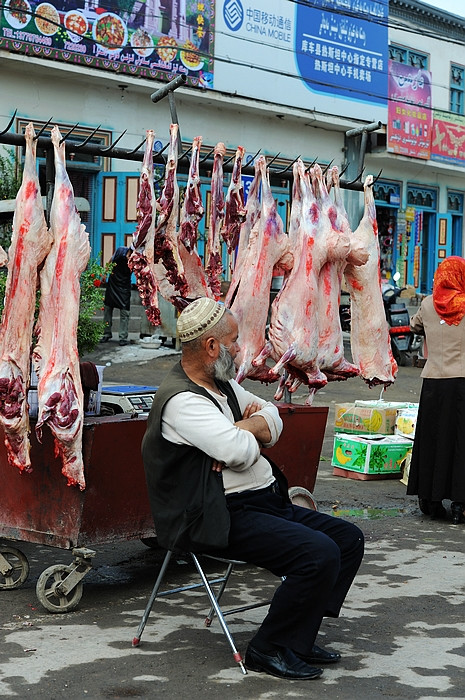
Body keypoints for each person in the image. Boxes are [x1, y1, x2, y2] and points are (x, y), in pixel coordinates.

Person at [142, 297, 365, 681]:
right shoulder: (182, 402)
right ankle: (268, 648)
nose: (240, 348)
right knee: (318, 554)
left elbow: (274, 420)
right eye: (232, 341)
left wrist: (245, 428)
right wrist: (244, 435)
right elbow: (241, 453)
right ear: (211, 347)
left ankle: (299, 634)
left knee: (348, 539)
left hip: (263, 502)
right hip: (219, 515)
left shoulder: (221, 384)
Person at [407, 256, 465, 525]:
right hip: (461, 383)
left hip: (432, 382)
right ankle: (459, 503)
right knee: (458, 441)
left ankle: (429, 498)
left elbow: (414, 326)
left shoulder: (428, 304)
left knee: (431, 438)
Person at [100, 246, 132, 346]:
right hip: (113, 283)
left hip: (125, 286)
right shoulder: (120, 250)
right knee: (107, 308)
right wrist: (105, 273)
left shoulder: (136, 258)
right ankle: (106, 333)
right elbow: (111, 260)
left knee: (124, 312)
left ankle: (123, 337)